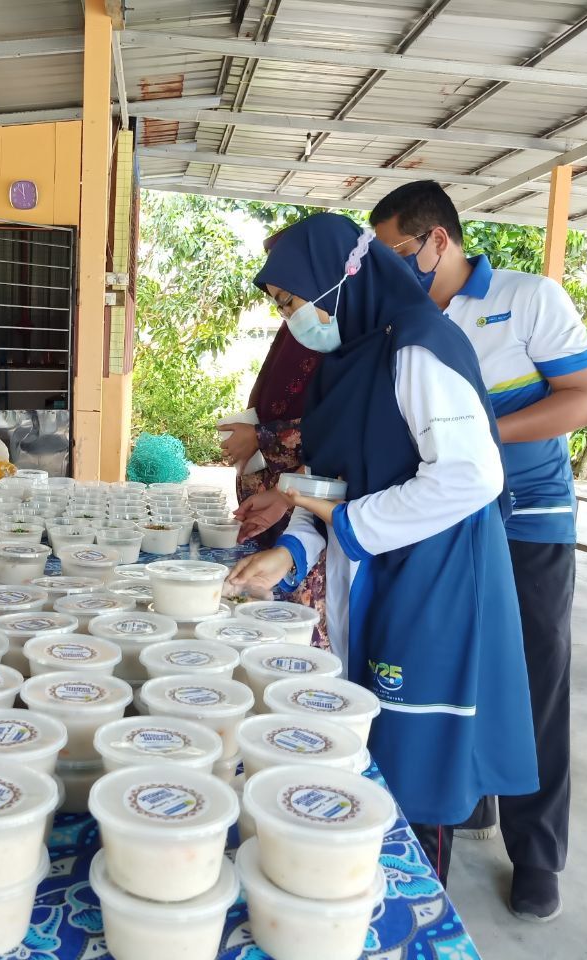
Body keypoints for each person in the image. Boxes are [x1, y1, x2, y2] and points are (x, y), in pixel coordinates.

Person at [227, 212, 538, 889]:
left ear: (341, 280)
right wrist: (292, 552)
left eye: (292, 302)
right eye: (281, 308)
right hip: (377, 565)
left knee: (414, 757)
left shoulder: (420, 348)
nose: (291, 321)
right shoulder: (346, 364)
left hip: (432, 577)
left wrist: (348, 522)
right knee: (369, 740)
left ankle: (415, 901)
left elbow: (471, 475)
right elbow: (331, 483)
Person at [370, 180, 587, 922]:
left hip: (526, 520)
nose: (387, 270)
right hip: (447, 522)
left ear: (437, 239)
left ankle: (537, 854)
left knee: (535, 683)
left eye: (396, 253)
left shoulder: (527, 298)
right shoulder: (401, 316)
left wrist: (476, 441)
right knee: (454, 666)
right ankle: (469, 797)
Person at [221, 228, 328, 642]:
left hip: (317, 506)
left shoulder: (341, 334)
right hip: (290, 497)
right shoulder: (298, 326)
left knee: (295, 622)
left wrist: (263, 438)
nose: (284, 308)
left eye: (288, 297)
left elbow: (336, 432)